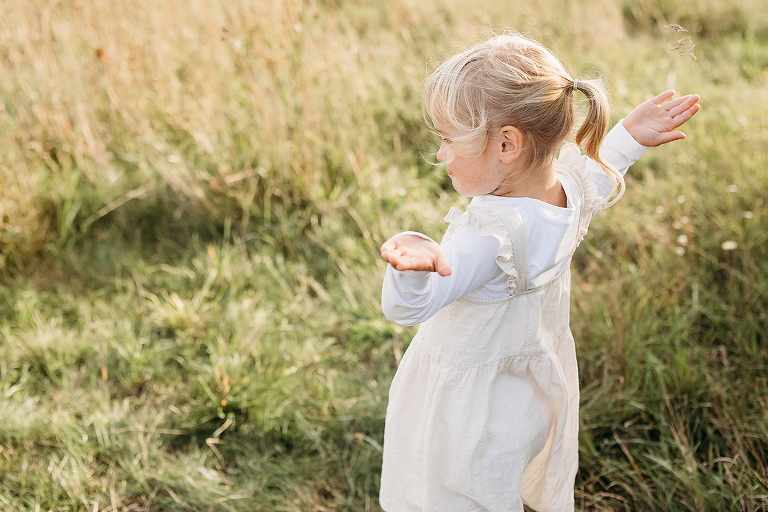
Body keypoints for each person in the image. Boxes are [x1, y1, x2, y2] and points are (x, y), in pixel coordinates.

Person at [378, 33, 700, 512]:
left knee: (454, 492)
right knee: (502, 481)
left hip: (466, 407)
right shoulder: (569, 190)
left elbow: (409, 309)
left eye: (448, 139)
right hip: (525, 390)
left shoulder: (488, 240)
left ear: (507, 143)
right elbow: (603, 168)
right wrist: (630, 136)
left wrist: (413, 269)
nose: (441, 154)